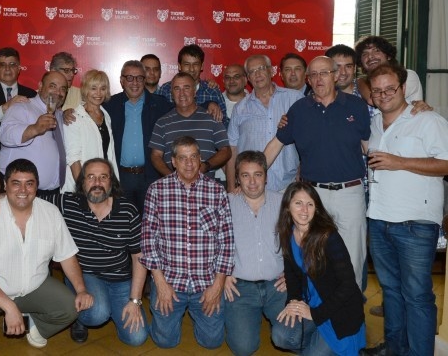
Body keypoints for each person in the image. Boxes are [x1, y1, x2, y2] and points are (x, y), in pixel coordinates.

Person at [0, 158, 148, 346]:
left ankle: (107, 306)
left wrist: (135, 300)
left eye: (103, 177)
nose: (97, 183)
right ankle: (81, 317)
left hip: (120, 278)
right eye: (91, 177)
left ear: (111, 182)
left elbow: (139, 257)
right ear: (82, 182)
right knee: (97, 313)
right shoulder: (67, 203)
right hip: (86, 275)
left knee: (136, 338)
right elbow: (24, 195)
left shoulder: (128, 211)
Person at [0, 159, 94, 355]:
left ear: (36, 186)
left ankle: (36, 326)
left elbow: (67, 256)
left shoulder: (51, 213)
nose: (23, 190)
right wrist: (9, 307)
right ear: (5, 185)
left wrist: (81, 290)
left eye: (29, 183)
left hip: (34, 286)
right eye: (16, 183)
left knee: (70, 308)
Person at [362, 63, 448, 356]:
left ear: (403, 88)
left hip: (415, 224)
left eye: (390, 88)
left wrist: (400, 162)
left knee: (417, 296)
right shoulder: (375, 124)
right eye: (377, 90)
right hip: (379, 220)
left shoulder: (427, 120)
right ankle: (394, 349)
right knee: (391, 293)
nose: (384, 94)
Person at [265, 56, 370, 289]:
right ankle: (314, 307)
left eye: (324, 73)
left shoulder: (356, 106)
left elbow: (369, 146)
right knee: (314, 256)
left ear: (335, 75)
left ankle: (351, 309)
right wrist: (253, 175)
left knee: (353, 258)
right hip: (313, 196)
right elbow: (275, 145)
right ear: (308, 80)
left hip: (350, 194)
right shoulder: (299, 110)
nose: (318, 78)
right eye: (313, 74)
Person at [141, 136, 234, 349]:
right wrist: (160, 283)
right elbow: (148, 240)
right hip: (170, 281)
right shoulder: (157, 190)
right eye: (183, 158)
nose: (189, 163)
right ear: (173, 161)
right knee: (165, 342)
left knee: (212, 342)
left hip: (206, 282)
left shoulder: (216, 191)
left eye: (193, 157)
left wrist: (217, 285)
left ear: (200, 159)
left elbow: (226, 242)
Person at [224, 151, 300, 355]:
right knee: (243, 348)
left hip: (277, 286)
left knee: (289, 336)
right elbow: (210, 243)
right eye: (245, 175)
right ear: (237, 178)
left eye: (257, 174)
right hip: (240, 288)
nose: (252, 182)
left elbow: (303, 242)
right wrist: (221, 274)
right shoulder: (225, 204)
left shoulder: (284, 203)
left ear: (266, 176)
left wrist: (294, 274)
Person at [276, 182, 366, 355]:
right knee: (280, 336)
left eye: (310, 204)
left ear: (316, 209)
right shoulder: (288, 233)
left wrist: (315, 314)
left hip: (338, 311)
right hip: (311, 303)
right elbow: (291, 274)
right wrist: (293, 301)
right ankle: (316, 341)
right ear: (287, 207)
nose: (304, 209)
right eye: (298, 203)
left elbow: (348, 285)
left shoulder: (328, 236)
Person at [226, 55, 302, 193]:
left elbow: (310, 139)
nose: (257, 74)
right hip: (250, 187)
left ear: (271, 71)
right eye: (252, 71)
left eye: (261, 68)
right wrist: (231, 188)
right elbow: (232, 149)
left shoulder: (295, 99)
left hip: (288, 186)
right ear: (248, 78)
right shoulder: (240, 108)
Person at [102, 60, 171, 213]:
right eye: (129, 78)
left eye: (139, 78)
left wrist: (210, 104)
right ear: (121, 80)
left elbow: (184, 107)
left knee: (151, 221)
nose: (135, 83)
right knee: (123, 221)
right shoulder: (110, 105)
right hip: (120, 178)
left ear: (144, 80)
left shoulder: (160, 104)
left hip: (150, 176)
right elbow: (88, 111)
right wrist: (68, 112)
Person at [150, 72, 231, 181]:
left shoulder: (212, 118)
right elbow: (156, 156)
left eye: (186, 88)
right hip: (173, 188)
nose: (182, 93)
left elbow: (226, 151)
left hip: (206, 187)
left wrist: (205, 166)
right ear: (172, 94)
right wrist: (173, 178)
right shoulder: (162, 122)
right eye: (177, 89)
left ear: (194, 92)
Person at [0, 71, 68, 194]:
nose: (58, 92)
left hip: (54, 193)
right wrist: (34, 129)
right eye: (52, 86)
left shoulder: (60, 115)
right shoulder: (22, 107)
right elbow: (5, 135)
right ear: (40, 86)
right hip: (21, 192)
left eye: (63, 89)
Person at [62, 70, 119, 193]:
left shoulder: (106, 116)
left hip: (103, 184)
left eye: (103, 88)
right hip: (82, 187)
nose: (98, 93)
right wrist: (83, 188)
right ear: (85, 90)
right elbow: (73, 158)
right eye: (93, 88)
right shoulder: (74, 118)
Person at [156, 44, 229, 126]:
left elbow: (223, 123)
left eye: (196, 64)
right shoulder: (166, 89)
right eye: (187, 64)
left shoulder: (212, 91)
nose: (191, 69)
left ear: (202, 66)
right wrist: (207, 105)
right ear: (179, 66)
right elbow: (158, 121)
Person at [354, 35, 423, 111]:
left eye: (376, 51)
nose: (370, 56)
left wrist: (359, 82)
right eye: (364, 54)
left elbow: (374, 100)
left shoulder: (408, 76)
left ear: (388, 56)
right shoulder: (363, 86)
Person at [0, 46, 37, 121]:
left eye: (12, 64)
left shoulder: (31, 95)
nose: (7, 69)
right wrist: (6, 107)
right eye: (2, 65)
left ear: (18, 68)